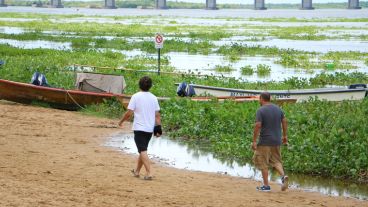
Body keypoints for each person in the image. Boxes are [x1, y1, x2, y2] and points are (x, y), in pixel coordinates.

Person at [118, 76, 162, 180]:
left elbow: (129, 113)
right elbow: (157, 115)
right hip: (149, 129)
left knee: (142, 150)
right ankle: (137, 171)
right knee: (143, 150)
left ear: (139, 85)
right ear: (150, 86)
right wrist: (159, 128)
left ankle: (149, 172)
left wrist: (121, 121)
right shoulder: (154, 98)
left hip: (139, 128)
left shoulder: (135, 96)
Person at [252, 92, 288, 192]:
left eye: (259, 99)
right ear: (269, 99)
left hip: (265, 141)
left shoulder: (261, 110)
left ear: (261, 99)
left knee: (262, 162)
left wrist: (254, 141)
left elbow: (258, 125)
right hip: (277, 140)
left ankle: (266, 186)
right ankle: (283, 176)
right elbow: (284, 121)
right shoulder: (278, 108)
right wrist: (285, 136)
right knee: (276, 161)